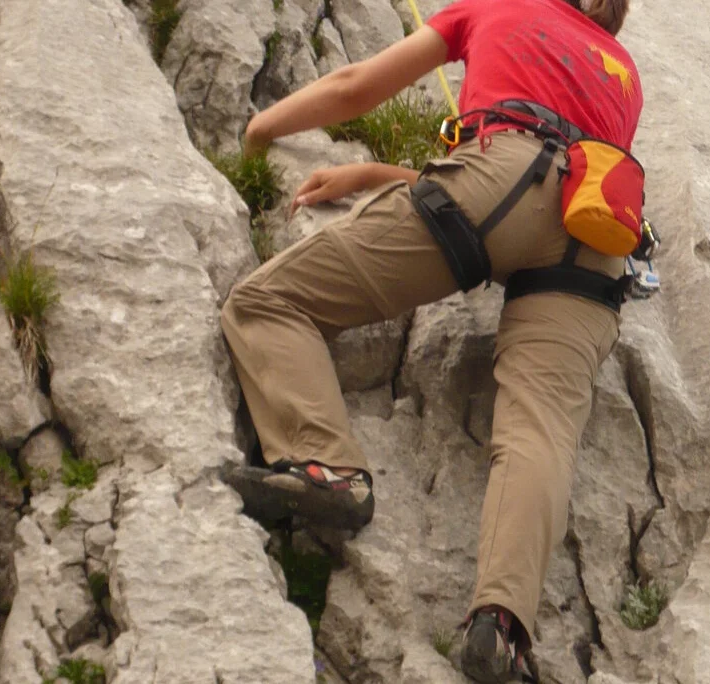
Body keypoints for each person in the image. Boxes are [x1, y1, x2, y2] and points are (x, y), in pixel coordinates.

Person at [219, 0, 641, 681]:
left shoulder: (500, 7)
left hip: (502, 183)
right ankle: (501, 625)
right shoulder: (623, 71)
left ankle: (327, 468)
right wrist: (372, 178)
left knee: (269, 301)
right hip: (597, 239)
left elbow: (357, 88)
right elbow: (545, 179)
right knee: (541, 431)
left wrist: (261, 128)